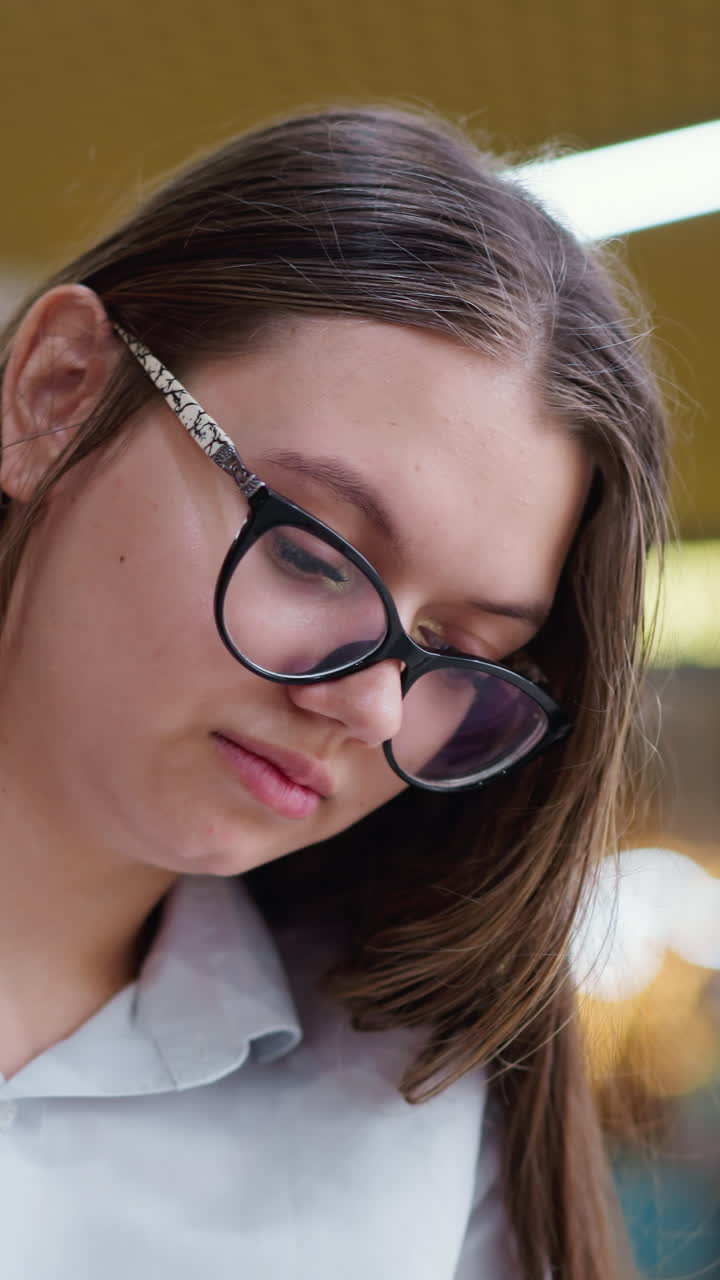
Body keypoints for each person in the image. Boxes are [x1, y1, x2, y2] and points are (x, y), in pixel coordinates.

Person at [0, 107, 666, 1279]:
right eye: (313, 553)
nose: (371, 707)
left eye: (462, 649)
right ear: (61, 394)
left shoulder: (407, 1113)